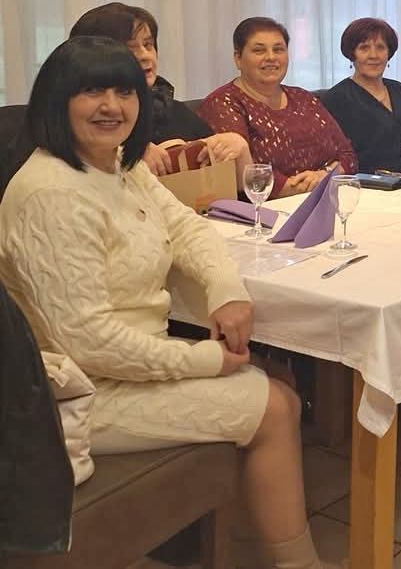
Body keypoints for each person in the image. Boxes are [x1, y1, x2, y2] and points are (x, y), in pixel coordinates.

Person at [0, 37, 337, 569]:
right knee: (275, 405)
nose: (111, 106)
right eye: (92, 92)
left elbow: (185, 227)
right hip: (75, 395)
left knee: (278, 383)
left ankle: (247, 550)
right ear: (56, 100)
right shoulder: (51, 193)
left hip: (128, 365)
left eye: (124, 92)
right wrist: (204, 359)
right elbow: (88, 343)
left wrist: (226, 290)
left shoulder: (117, 164)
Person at [69, 2, 252, 186]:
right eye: (130, 48)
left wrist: (239, 150)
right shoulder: (81, 125)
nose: (145, 55)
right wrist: (126, 158)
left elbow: (231, 190)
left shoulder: (173, 110)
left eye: (148, 45)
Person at [198, 17, 357, 199]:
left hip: (324, 198)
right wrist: (304, 187)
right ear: (238, 58)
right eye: (259, 50)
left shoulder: (304, 98)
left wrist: (324, 175)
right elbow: (246, 177)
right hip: (264, 209)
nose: (271, 57)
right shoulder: (223, 103)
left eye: (278, 49)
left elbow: (348, 156)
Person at [322, 17, 401, 173]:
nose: (373, 55)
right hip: (369, 183)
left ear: (389, 53)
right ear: (352, 54)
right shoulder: (336, 99)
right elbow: (342, 158)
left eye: (380, 47)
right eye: (364, 48)